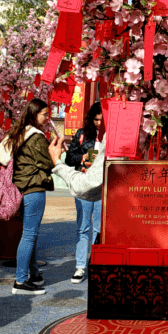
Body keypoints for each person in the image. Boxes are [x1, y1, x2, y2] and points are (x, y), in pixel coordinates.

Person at [0, 99, 59, 295]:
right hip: (33, 187)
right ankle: (21, 282)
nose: (47, 118)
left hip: (20, 188)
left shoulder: (19, 133)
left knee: (31, 233)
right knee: (30, 235)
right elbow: (49, 163)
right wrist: (57, 147)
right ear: (33, 114)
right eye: (44, 114)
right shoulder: (37, 137)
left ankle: (34, 273)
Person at [65, 102, 103, 283]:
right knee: (82, 227)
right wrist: (83, 158)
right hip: (84, 185)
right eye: (95, 120)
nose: (98, 123)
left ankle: (96, 263)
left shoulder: (110, 136)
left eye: (101, 120)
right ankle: (80, 266)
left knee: (99, 228)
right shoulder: (82, 134)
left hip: (103, 187)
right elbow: (69, 157)